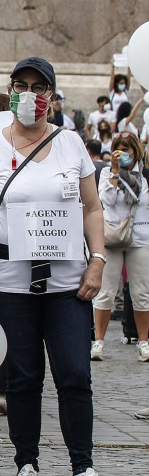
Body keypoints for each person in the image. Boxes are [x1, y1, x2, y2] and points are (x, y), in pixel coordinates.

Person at [0, 56, 116, 476]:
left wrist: (98, 259)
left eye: (40, 86)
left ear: (53, 96)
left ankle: (82, 469)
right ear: (10, 93)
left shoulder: (71, 145)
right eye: (21, 85)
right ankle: (27, 466)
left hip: (67, 284)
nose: (31, 94)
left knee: (75, 376)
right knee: (22, 380)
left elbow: (91, 208)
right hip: (9, 285)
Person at [91, 132, 149, 362]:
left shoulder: (145, 175)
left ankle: (144, 341)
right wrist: (115, 172)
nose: (124, 153)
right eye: (119, 148)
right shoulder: (106, 172)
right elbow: (107, 200)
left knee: (142, 294)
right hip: (113, 237)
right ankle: (99, 341)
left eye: (128, 149)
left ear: (136, 150)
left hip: (140, 238)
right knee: (106, 292)